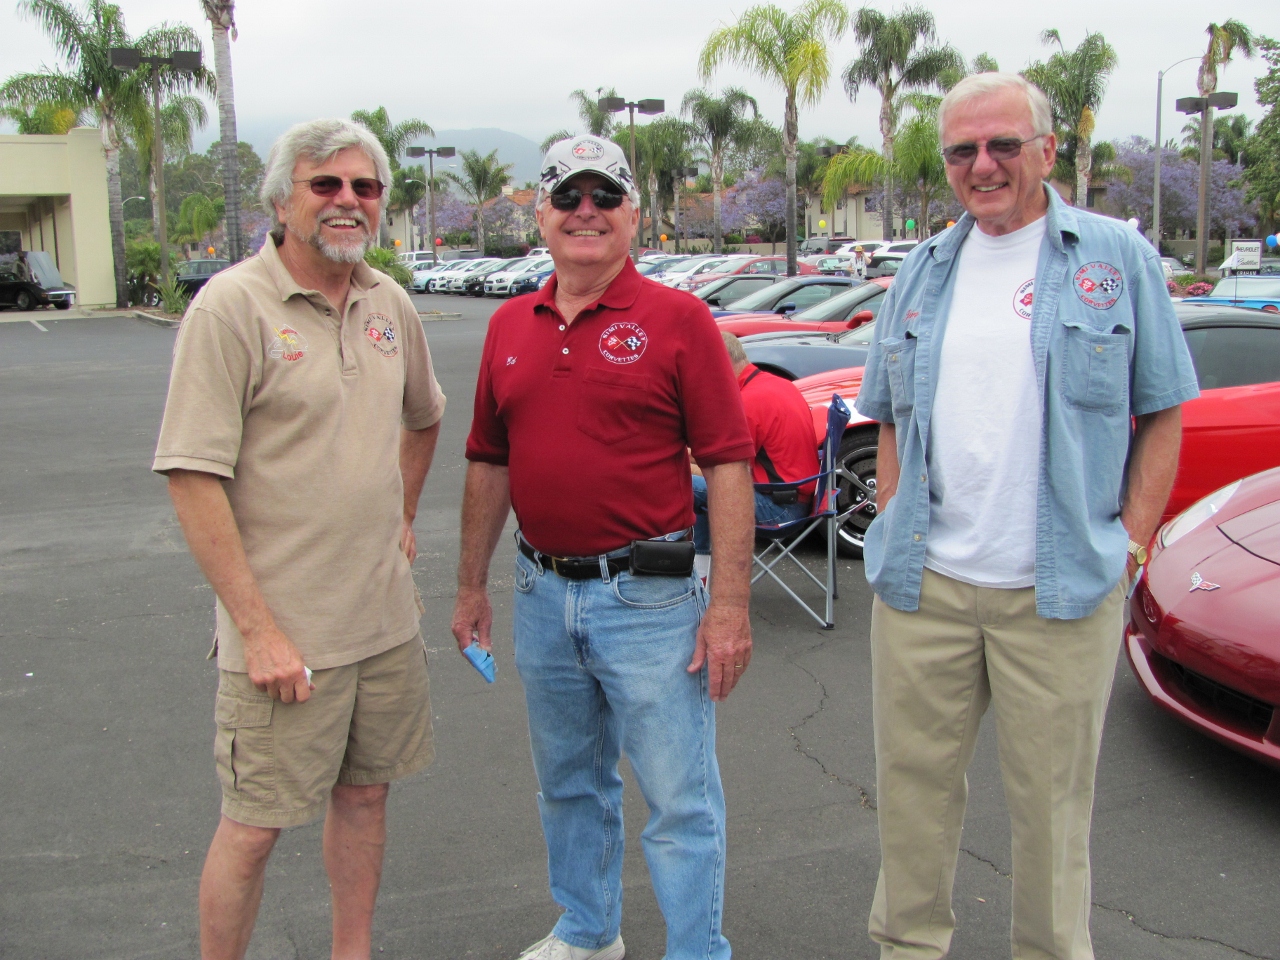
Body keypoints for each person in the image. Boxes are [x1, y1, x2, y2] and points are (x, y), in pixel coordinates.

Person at [854, 74, 1198, 960]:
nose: (983, 164)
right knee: (911, 805)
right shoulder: (924, 270)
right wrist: (893, 523)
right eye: (963, 149)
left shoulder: (1115, 258)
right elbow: (890, 416)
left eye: (1004, 143)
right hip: (924, 589)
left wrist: (1127, 545)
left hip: (1059, 592)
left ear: (1047, 150)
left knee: (1053, 819)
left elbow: (1163, 408)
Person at [452, 135, 756, 960]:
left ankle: (697, 949)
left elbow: (729, 463)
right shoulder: (510, 323)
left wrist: (729, 606)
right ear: (540, 217)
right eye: (568, 197)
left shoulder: (681, 319)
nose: (586, 212)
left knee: (678, 797)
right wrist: (470, 586)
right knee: (569, 785)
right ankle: (588, 931)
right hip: (542, 594)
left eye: (605, 197)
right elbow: (488, 459)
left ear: (633, 215)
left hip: (649, 599)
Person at [153, 118, 446, 960]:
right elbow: (191, 475)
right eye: (326, 185)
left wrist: (399, 518)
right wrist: (258, 629)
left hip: (384, 627)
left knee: (365, 800)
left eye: (364, 186)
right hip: (285, 642)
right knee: (252, 830)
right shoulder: (231, 308)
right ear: (283, 200)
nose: (347, 201)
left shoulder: (389, 303)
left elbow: (424, 419)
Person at [691, 331, 820, 580]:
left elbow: (723, 470)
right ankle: (700, 570)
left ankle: (697, 570)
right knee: (697, 486)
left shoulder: (749, 402)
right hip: (796, 498)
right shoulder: (775, 384)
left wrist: (678, 459)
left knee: (680, 480)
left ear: (721, 363)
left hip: (780, 510)